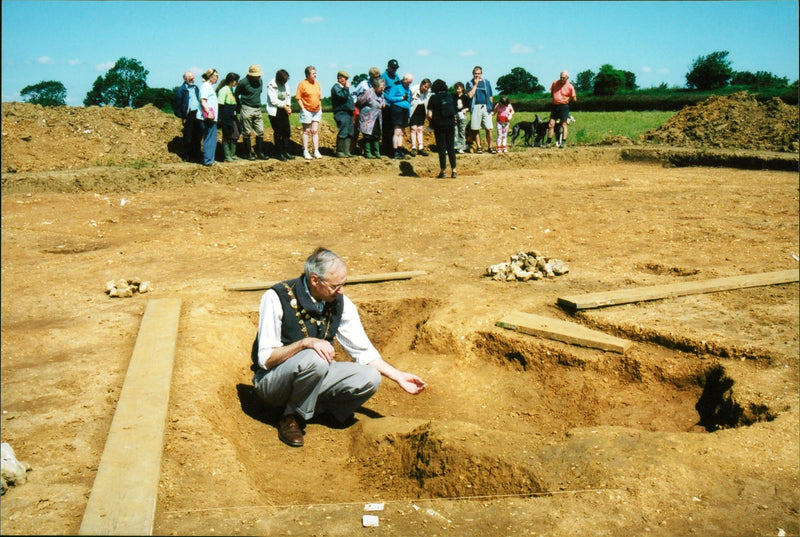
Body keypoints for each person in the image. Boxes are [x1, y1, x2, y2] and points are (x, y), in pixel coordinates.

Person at [252, 247, 428, 447]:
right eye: (336, 286)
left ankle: (319, 411)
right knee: (315, 358)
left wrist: (398, 376)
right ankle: (291, 417)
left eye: (343, 284)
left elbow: (363, 352)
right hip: (273, 383)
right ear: (315, 280)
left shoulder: (339, 303)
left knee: (369, 377)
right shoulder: (276, 298)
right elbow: (266, 359)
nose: (341, 291)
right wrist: (304, 343)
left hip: (311, 374)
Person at [235, 64, 269, 160]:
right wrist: (239, 106)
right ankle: (248, 153)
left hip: (257, 108)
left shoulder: (260, 81)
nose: (258, 77)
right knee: (247, 132)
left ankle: (260, 152)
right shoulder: (243, 82)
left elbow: (259, 92)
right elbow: (236, 94)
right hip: (246, 108)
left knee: (260, 131)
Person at [426, 79, 457, 179]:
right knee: (451, 147)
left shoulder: (433, 98)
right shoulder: (450, 96)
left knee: (442, 148)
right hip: (450, 124)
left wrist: (430, 123)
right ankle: (454, 170)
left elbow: (429, 114)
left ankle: (443, 171)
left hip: (439, 125)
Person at [350, 67, 381, 155]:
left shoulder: (377, 84)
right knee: (356, 128)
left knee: (371, 130)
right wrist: (356, 102)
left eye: (377, 77)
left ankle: (370, 150)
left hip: (372, 111)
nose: (376, 79)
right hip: (361, 108)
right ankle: (352, 148)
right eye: (374, 77)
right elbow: (354, 94)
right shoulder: (364, 84)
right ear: (370, 76)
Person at [266, 69, 295, 161]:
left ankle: (286, 152)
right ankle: (279, 153)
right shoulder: (271, 85)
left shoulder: (285, 84)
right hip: (275, 111)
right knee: (278, 132)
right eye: (284, 80)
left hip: (284, 109)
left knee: (286, 131)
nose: (285, 82)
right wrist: (284, 106)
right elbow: (273, 100)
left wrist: (288, 106)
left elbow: (288, 95)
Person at [465, 66, 495, 154]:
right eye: (475, 73)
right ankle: (479, 147)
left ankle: (490, 146)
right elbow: (470, 95)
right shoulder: (469, 83)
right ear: (473, 74)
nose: (477, 75)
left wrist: (491, 108)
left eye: (478, 73)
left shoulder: (487, 82)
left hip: (486, 107)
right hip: (475, 107)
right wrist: (475, 84)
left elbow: (490, 97)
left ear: (481, 74)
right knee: (475, 128)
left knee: (489, 128)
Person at [296, 65, 323, 160]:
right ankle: (305, 151)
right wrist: (303, 109)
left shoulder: (317, 84)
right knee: (306, 131)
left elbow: (319, 97)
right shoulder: (302, 84)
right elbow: (298, 98)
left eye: (315, 73)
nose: (315, 75)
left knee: (315, 131)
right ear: (308, 75)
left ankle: (316, 150)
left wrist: (320, 107)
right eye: (313, 73)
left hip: (317, 110)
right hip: (306, 110)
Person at [384, 72, 413, 160]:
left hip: (405, 111)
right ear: (404, 80)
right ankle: (395, 151)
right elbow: (389, 97)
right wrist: (400, 98)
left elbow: (408, 100)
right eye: (408, 82)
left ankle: (400, 150)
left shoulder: (407, 88)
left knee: (402, 132)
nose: (409, 84)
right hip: (397, 110)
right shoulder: (396, 86)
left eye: (410, 83)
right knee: (397, 131)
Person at [175, 71, 202, 162]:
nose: (192, 80)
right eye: (190, 78)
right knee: (188, 136)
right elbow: (178, 104)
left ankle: (196, 155)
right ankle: (186, 155)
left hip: (197, 114)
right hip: (188, 115)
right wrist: (182, 116)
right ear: (185, 79)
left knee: (198, 135)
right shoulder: (181, 90)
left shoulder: (196, 88)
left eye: (193, 78)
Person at [356, 77, 386, 159]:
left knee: (376, 135)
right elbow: (359, 102)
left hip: (377, 117)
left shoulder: (381, 93)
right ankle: (367, 152)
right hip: (367, 117)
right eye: (381, 87)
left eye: (383, 87)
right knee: (367, 135)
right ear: (375, 86)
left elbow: (382, 100)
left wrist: (383, 103)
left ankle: (376, 152)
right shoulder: (368, 93)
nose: (383, 88)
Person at [547, 70, 577, 148]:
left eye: (563, 78)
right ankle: (548, 142)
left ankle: (563, 142)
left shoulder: (570, 86)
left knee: (564, 124)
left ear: (567, 78)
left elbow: (574, 98)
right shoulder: (555, 83)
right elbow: (552, 93)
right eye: (561, 77)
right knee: (551, 124)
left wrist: (567, 101)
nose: (561, 79)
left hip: (564, 106)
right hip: (555, 106)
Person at [216, 72, 241, 163]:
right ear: (231, 81)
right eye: (236, 81)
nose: (237, 82)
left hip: (232, 115)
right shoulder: (224, 90)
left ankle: (233, 154)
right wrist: (220, 118)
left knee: (235, 134)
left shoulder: (231, 90)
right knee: (226, 135)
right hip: (225, 115)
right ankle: (227, 156)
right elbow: (220, 105)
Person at [331, 70, 355, 158]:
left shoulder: (343, 88)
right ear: (340, 78)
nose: (347, 81)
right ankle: (340, 151)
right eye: (345, 79)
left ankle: (346, 151)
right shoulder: (336, 87)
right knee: (343, 131)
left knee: (349, 131)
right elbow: (342, 96)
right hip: (341, 112)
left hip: (348, 112)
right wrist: (346, 88)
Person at [380, 59, 401, 156]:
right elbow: (381, 90)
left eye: (396, 68)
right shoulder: (383, 76)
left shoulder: (396, 76)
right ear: (388, 67)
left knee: (394, 128)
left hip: (395, 105)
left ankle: (393, 148)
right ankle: (386, 149)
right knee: (387, 128)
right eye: (393, 68)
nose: (394, 70)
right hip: (387, 105)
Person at [199, 68, 219, 167]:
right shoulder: (205, 86)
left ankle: (210, 159)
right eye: (216, 76)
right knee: (209, 138)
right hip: (207, 117)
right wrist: (208, 112)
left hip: (211, 117)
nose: (217, 78)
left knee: (211, 138)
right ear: (211, 77)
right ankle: (208, 160)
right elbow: (203, 100)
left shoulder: (209, 87)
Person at [408, 78, 431, 157]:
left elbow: (427, 101)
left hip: (422, 109)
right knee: (413, 129)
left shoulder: (428, 92)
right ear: (421, 84)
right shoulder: (413, 89)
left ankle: (421, 147)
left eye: (427, 88)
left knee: (420, 129)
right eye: (425, 87)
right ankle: (413, 147)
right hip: (414, 110)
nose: (426, 89)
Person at [453, 82, 469, 154]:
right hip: (455, 115)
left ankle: (461, 147)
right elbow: (452, 107)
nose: (457, 90)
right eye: (456, 89)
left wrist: (465, 109)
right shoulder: (453, 97)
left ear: (462, 88)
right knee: (455, 130)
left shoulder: (465, 97)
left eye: (458, 88)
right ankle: (455, 146)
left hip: (462, 115)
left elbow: (468, 107)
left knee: (462, 131)